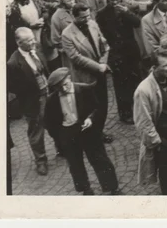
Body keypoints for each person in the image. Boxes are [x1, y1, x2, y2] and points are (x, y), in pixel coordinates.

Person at [44, 67, 121, 195]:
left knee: (99, 159)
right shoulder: (52, 100)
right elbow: (49, 122)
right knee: (75, 165)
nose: (64, 89)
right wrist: (60, 137)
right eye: (59, 87)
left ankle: (112, 187)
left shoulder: (85, 89)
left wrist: (90, 119)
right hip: (68, 134)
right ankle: (85, 189)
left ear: (70, 78)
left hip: (87, 131)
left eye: (65, 84)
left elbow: (97, 108)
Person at [133, 48, 167, 195]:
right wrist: (158, 143)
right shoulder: (143, 90)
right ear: (153, 68)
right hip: (164, 143)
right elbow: (143, 122)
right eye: (165, 66)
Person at [61, 3, 113, 144]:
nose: (87, 19)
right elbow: (75, 57)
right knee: (90, 106)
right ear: (74, 16)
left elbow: (104, 44)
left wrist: (103, 62)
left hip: (100, 71)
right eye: (83, 17)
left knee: (103, 105)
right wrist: (98, 66)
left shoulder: (93, 24)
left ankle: (99, 131)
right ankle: (92, 135)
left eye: (88, 16)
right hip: (85, 76)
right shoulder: (67, 34)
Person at [6, 27, 52, 175]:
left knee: (55, 121)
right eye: (29, 40)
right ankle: (41, 161)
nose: (34, 42)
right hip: (33, 101)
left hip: (49, 94)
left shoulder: (36, 49)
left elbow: (46, 70)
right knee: (36, 132)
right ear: (19, 43)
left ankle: (61, 149)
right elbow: (13, 87)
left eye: (33, 38)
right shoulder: (13, 63)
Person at [95, 0, 141, 124]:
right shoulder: (102, 13)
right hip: (116, 51)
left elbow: (137, 23)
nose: (114, 2)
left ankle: (138, 109)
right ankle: (125, 112)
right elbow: (103, 32)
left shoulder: (128, 8)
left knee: (135, 79)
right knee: (121, 84)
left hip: (131, 50)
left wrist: (127, 12)